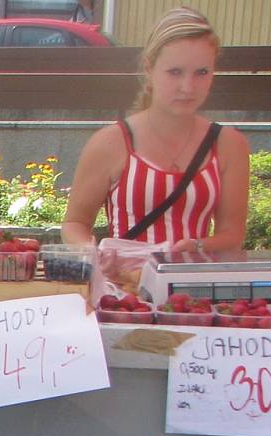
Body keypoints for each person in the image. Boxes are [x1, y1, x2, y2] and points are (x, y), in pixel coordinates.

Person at [62, 7, 249, 253]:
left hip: (193, 287)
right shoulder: (111, 142)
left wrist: (198, 245)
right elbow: (75, 223)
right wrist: (94, 253)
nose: (188, 87)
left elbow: (233, 235)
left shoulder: (229, 145)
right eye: (175, 72)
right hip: (124, 288)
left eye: (201, 73)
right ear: (149, 69)